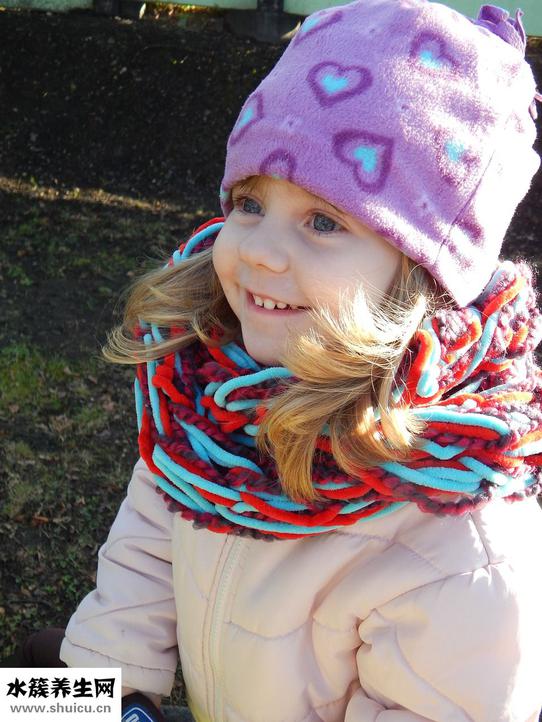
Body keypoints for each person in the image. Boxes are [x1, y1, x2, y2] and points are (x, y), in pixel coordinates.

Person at [56, 0, 542, 719]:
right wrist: (102, 696)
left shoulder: (457, 541)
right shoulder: (205, 403)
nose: (258, 250)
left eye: (322, 221)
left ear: (424, 277)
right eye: (250, 204)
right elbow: (146, 552)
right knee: (31, 695)